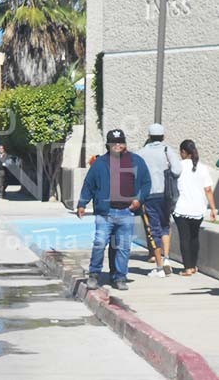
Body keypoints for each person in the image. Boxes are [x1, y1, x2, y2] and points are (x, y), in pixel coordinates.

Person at [78, 129, 151, 290]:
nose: (118, 145)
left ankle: (119, 277)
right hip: (106, 212)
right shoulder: (100, 163)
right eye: (114, 142)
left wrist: (139, 199)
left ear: (125, 143)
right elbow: (89, 184)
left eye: (120, 142)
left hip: (127, 211)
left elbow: (146, 183)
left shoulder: (136, 161)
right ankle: (94, 274)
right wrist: (82, 203)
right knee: (100, 243)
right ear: (108, 145)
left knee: (123, 246)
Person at [137, 123, 182, 278]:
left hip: (149, 195)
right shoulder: (167, 150)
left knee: (153, 229)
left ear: (149, 136)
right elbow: (177, 170)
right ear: (163, 136)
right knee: (165, 226)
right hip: (166, 194)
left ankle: (159, 266)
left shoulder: (141, 153)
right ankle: (167, 258)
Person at [172, 140, 216, 277]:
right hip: (198, 209)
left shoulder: (178, 166)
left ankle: (187, 268)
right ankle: (193, 265)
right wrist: (213, 209)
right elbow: (208, 190)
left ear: (183, 152)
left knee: (184, 238)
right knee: (194, 237)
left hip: (181, 208)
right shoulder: (203, 168)